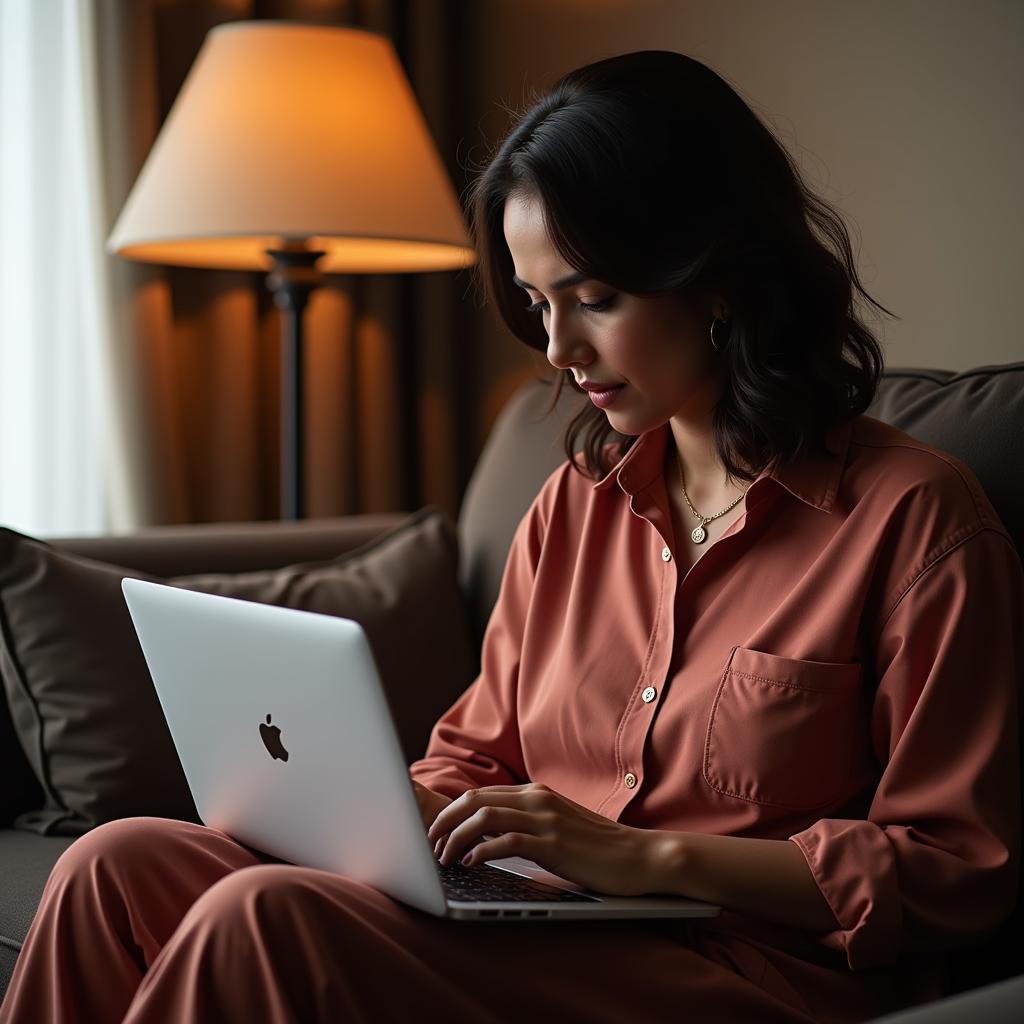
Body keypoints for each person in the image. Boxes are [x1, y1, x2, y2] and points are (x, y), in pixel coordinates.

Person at [1, 49, 1021, 1024]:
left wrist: (645, 858)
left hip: (741, 969)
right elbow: (473, 758)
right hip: (540, 923)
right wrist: (330, 815)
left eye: (595, 300)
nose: (556, 349)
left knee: (264, 918)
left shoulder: (916, 519)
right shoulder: (575, 504)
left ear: (719, 277)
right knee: (116, 863)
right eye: (538, 305)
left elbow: (954, 869)